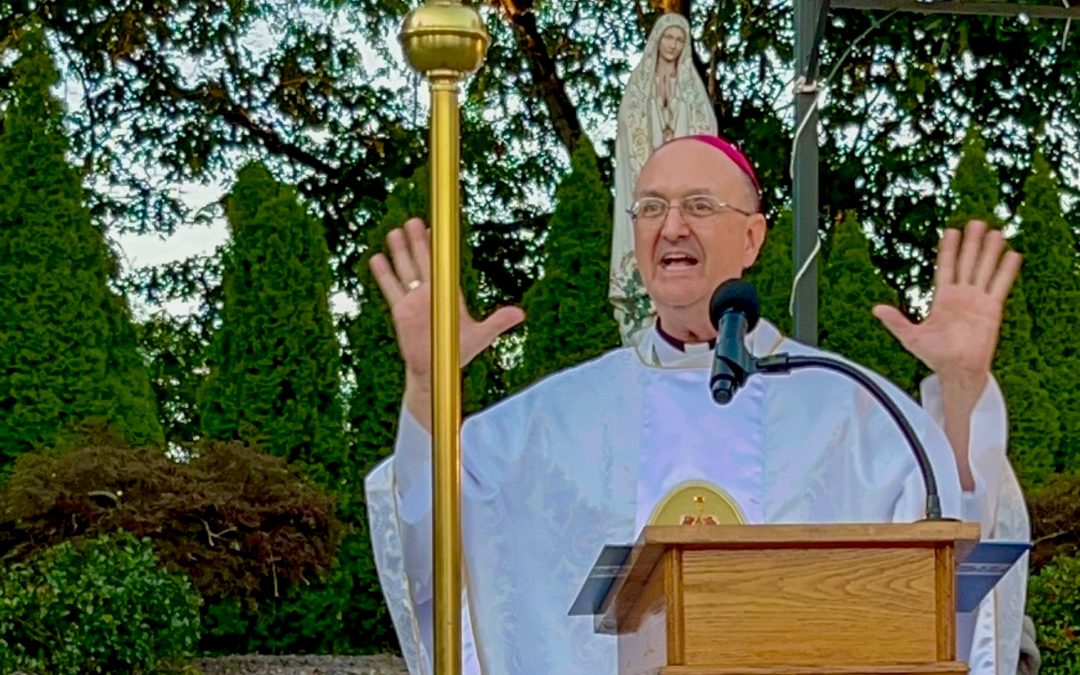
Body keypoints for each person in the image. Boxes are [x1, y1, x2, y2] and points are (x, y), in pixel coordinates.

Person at [365, 134, 1029, 674]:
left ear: (752, 238)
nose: (671, 225)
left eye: (700, 205)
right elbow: (432, 538)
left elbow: (954, 549)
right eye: (651, 207)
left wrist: (963, 386)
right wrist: (427, 385)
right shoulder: (553, 420)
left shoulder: (850, 407)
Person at [610, 13, 717, 346]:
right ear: (657, 41)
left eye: (679, 41)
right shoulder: (639, 89)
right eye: (668, 39)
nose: (672, 46)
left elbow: (706, 136)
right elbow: (630, 132)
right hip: (647, 182)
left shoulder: (691, 90)